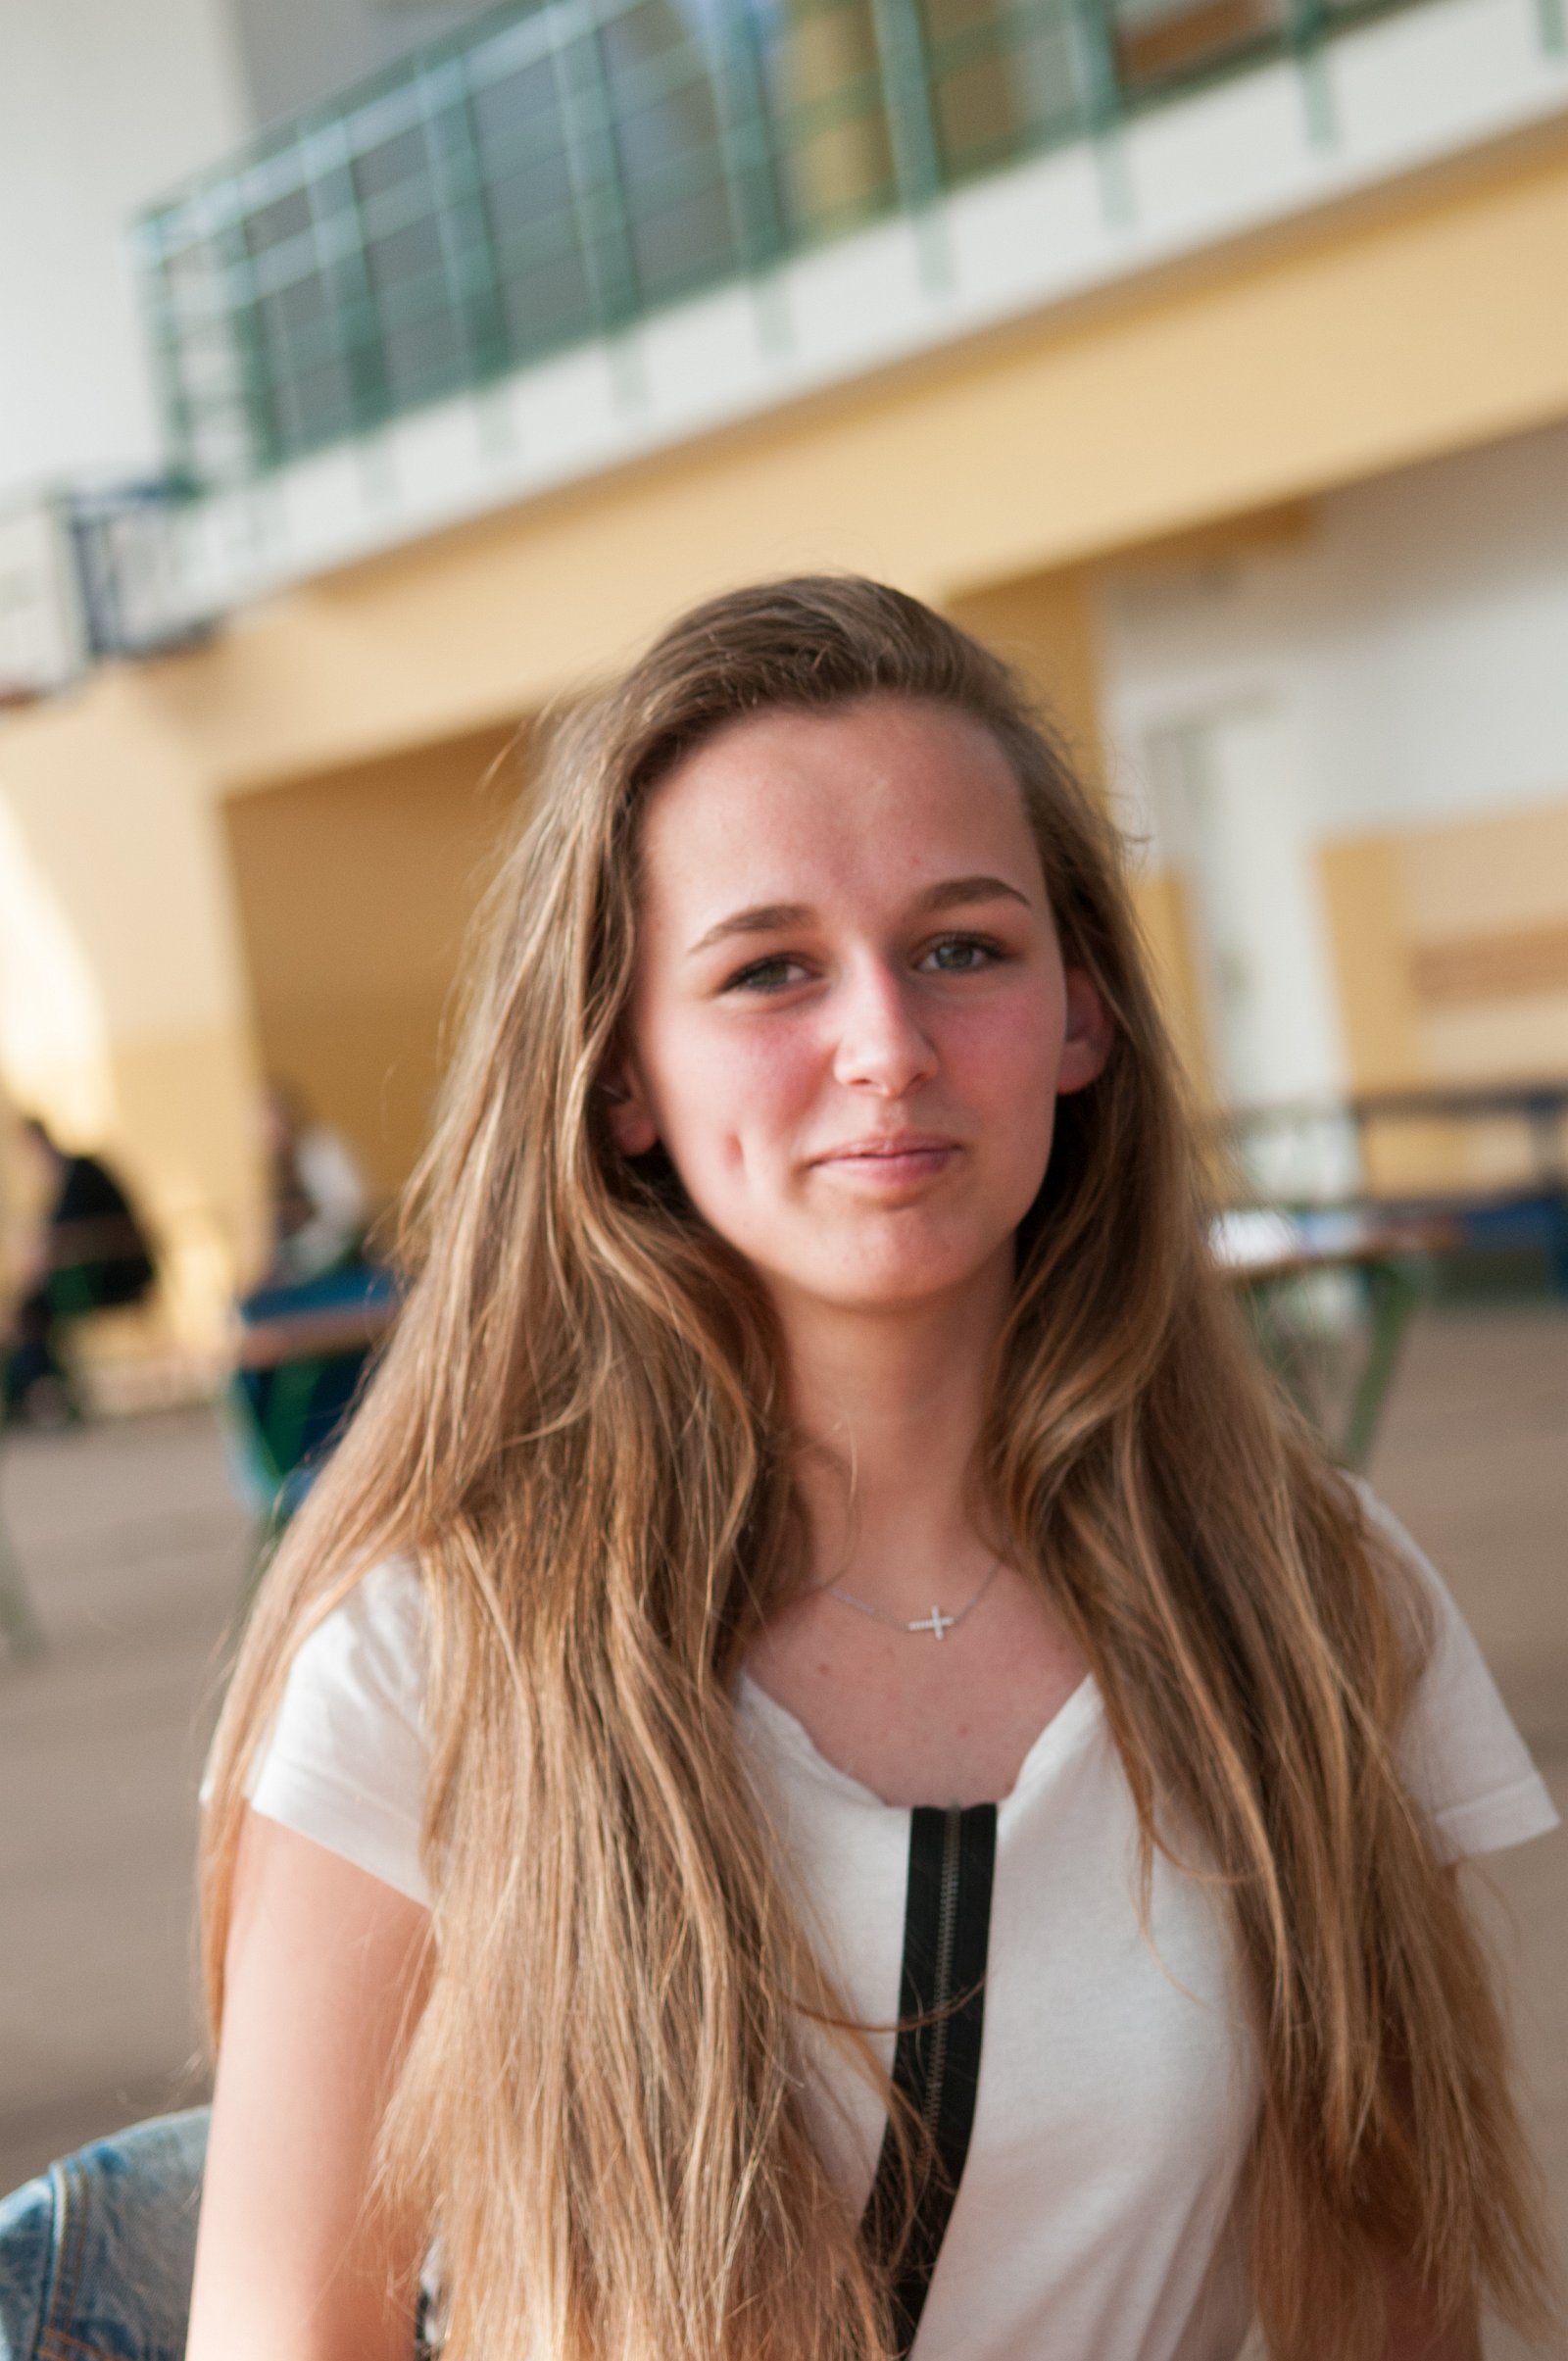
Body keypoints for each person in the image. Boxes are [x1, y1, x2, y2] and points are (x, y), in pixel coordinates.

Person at [190, 578, 1557, 2361]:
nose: (887, 1048)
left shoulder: (1312, 1601)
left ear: (1082, 1014)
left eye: (962, 948)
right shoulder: (428, 1663)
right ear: (624, 1075)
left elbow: (1396, 2297)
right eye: (770, 968)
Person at [1, 1118, 155, 1425]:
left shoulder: (80, 1174)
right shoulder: (69, 1177)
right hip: (87, 1275)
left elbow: (70, 1236)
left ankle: (32, 1393)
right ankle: (35, 1391)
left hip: (109, 1277)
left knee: (30, 1313)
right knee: (28, 1312)